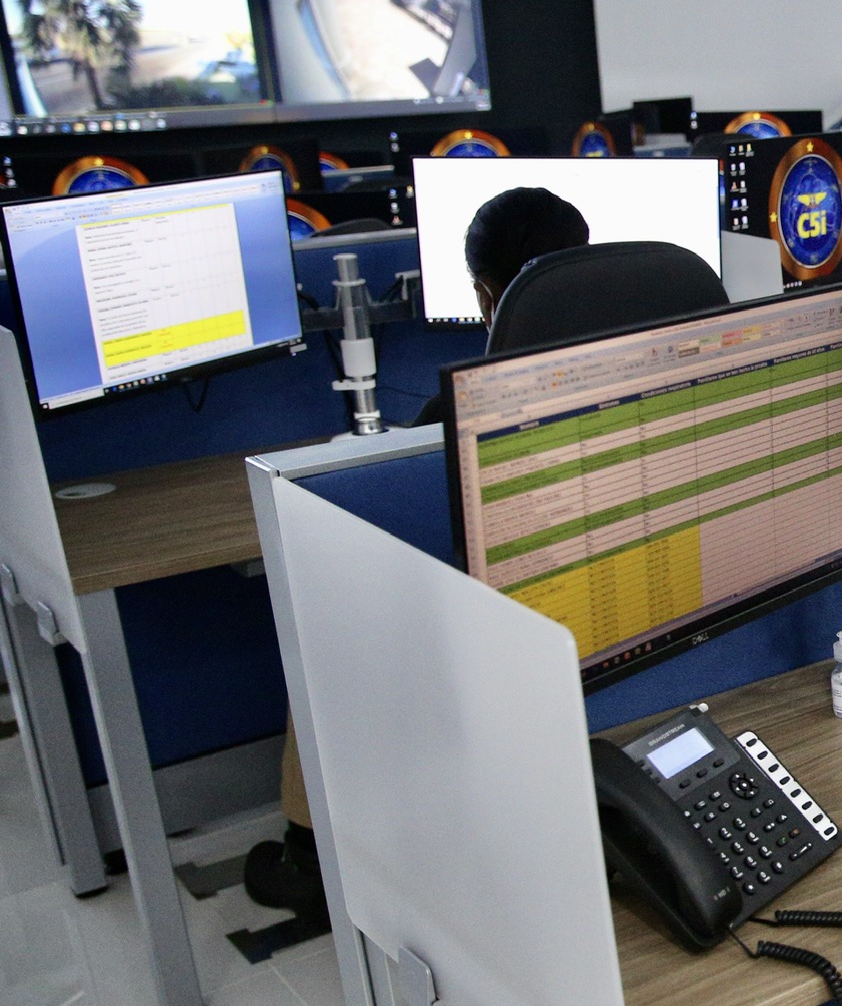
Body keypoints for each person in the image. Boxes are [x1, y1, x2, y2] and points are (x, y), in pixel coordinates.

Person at [243, 186, 591, 920]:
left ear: (486, 295)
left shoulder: (457, 415)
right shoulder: (649, 384)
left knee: (326, 608)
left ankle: (310, 855)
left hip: (494, 673)